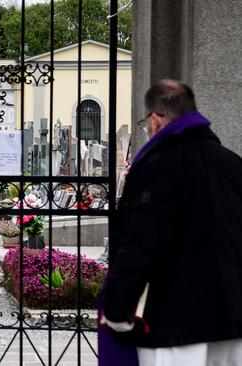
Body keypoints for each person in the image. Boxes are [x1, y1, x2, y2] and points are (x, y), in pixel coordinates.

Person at [101, 80, 242, 365]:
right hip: (234, 320)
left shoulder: (158, 167)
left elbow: (141, 241)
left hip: (176, 322)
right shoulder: (233, 164)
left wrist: (117, 310)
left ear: (155, 119)